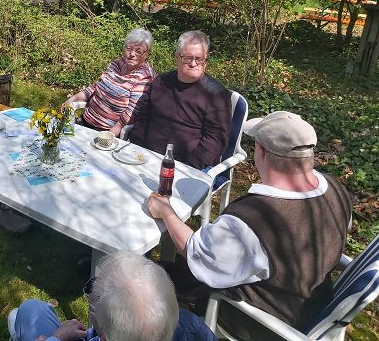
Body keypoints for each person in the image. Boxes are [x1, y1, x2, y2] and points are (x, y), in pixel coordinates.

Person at [146, 111, 352, 340]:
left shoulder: (253, 221)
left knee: (153, 276)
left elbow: (197, 254)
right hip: (311, 301)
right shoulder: (336, 190)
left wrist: (166, 211)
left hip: (265, 322)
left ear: (261, 151)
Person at [9, 251, 217, 341]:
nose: (90, 290)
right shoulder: (189, 324)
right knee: (33, 309)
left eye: (91, 288)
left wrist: (56, 337)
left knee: (28, 313)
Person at [129, 30, 231, 169]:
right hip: (144, 157)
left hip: (184, 167)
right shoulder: (161, 82)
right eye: (187, 58)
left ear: (205, 60)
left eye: (199, 59)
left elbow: (215, 140)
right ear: (177, 57)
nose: (193, 64)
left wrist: (186, 167)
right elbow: (142, 118)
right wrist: (137, 149)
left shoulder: (215, 95)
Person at [67, 28, 155, 137]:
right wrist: (70, 101)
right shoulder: (117, 64)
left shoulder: (144, 76)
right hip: (85, 119)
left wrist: (109, 136)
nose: (132, 54)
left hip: (106, 131)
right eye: (129, 48)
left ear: (147, 54)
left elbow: (131, 113)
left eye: (138, 51)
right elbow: (94, 88)